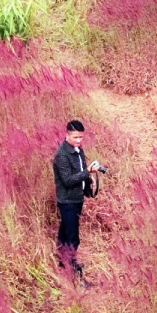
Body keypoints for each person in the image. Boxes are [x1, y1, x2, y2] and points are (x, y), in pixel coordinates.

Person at [52, 119, 103, 279]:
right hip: (67, 200)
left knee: (65, 231)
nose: (79, 141)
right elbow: (67, 180)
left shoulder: (78, 150)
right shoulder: (61, 155)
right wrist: (87, 172)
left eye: (81, 137)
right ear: (67, 135)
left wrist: (89, 179)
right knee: (73, 235)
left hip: (77, 198)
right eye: (75, 137)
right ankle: (72, 266)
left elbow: (81, 170)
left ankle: (62, 261)